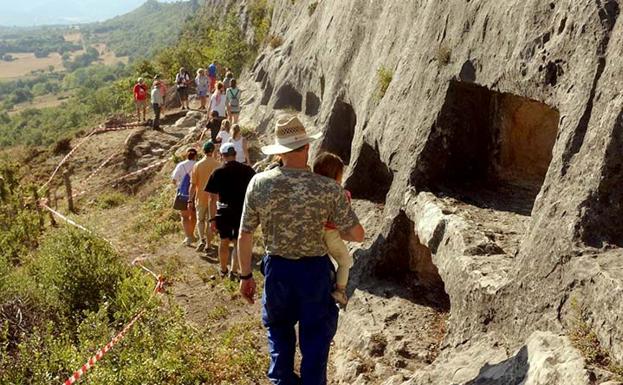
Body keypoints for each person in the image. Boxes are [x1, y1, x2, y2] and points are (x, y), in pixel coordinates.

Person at [237, 116, 365, 385]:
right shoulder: (328, 188)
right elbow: (357, 234)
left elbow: (245, 233)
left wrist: (245, 276)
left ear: (280, 151)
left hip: (277, 272)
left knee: (280, 338)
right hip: (315, 273)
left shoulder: (259, 183)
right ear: (307, 147)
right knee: (316, 342)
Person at [205, 143, 255, 279]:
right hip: (242, 211)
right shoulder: (247, 170)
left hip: (223, 211)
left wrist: (212, 219)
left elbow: (212, 198)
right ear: (235, 154)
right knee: (238, 242)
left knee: (224, 240)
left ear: (221, 155)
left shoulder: (217, 172)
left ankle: (223, 270)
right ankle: (233, 270)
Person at [312, 152, 353, 306]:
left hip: (313, 232)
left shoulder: (311, 191)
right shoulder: (342, 194)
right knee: (345, 262)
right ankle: (340, 291)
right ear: (337, 175)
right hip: (331, 233)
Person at [189, 141, 221, 252]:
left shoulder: (197, 165)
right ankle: (208, 244)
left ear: (203, 151)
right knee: (210, 221)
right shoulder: (218, 165)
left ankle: (202, 239)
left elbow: (193, 185)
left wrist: (189, 200)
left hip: (200, 197)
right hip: (214, 198)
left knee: (200, 220)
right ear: (213, 151)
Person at [171, 147, 198, 246]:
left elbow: (173, 180)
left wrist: (179, 186)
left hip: (182, 194)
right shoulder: (197, 165)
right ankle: (193, 234)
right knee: (194, 215)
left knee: (184, 216)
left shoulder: (181, 165)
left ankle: (188, 236)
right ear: (196, 156)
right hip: (195, 193)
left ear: (187, 155)